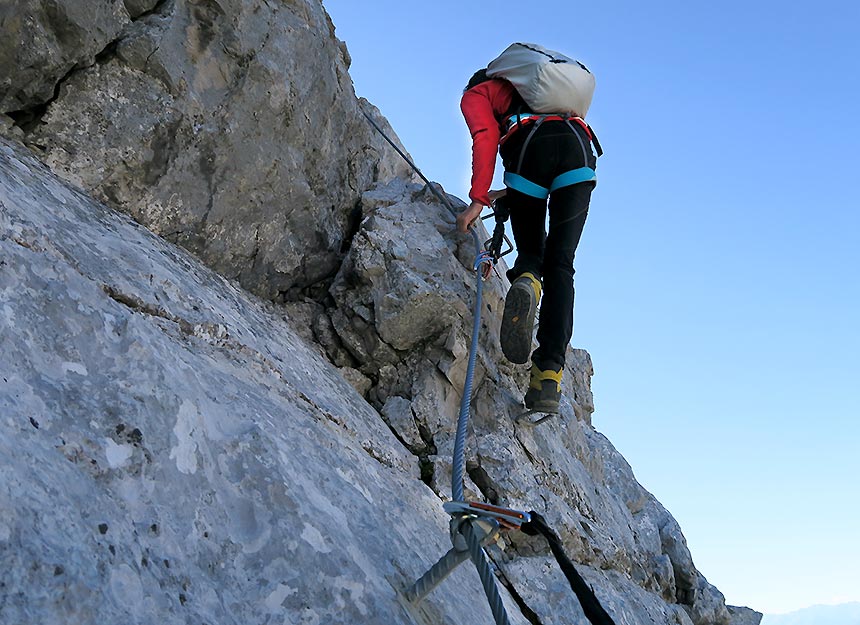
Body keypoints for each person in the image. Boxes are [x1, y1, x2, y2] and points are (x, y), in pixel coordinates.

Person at [456, 68, 599, 414]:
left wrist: (478, 198)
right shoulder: (544, 92)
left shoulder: (479, 93)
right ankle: (548, 376)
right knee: (562, 263)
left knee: (533, 255)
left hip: (528, 154)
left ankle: (527, 279)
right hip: (577, 151)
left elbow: (485, 135)